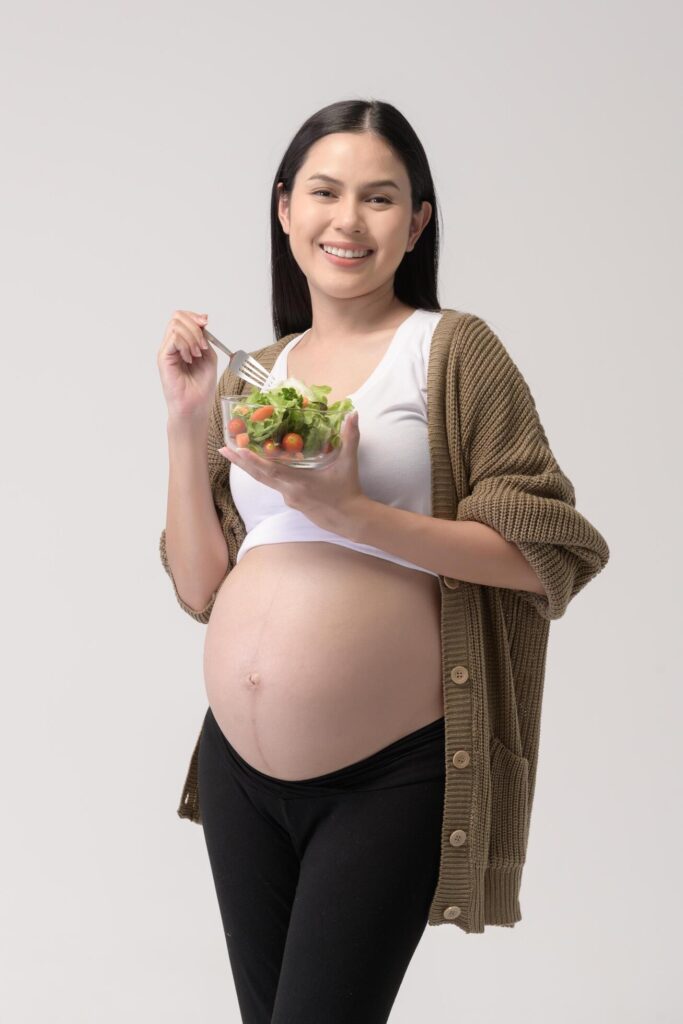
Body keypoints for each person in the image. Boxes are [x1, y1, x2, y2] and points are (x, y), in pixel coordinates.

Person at [156, 99, 609, 1024]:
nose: (347, 220)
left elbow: (546, 550)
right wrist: (184, 420)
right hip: (239, 774)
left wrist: (350, 511)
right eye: (324, 192)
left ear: (416, 223)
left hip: (386, 774)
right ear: (285, 210)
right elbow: (203, 588)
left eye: (379, 198)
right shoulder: (260, 377)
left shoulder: (449, 353)